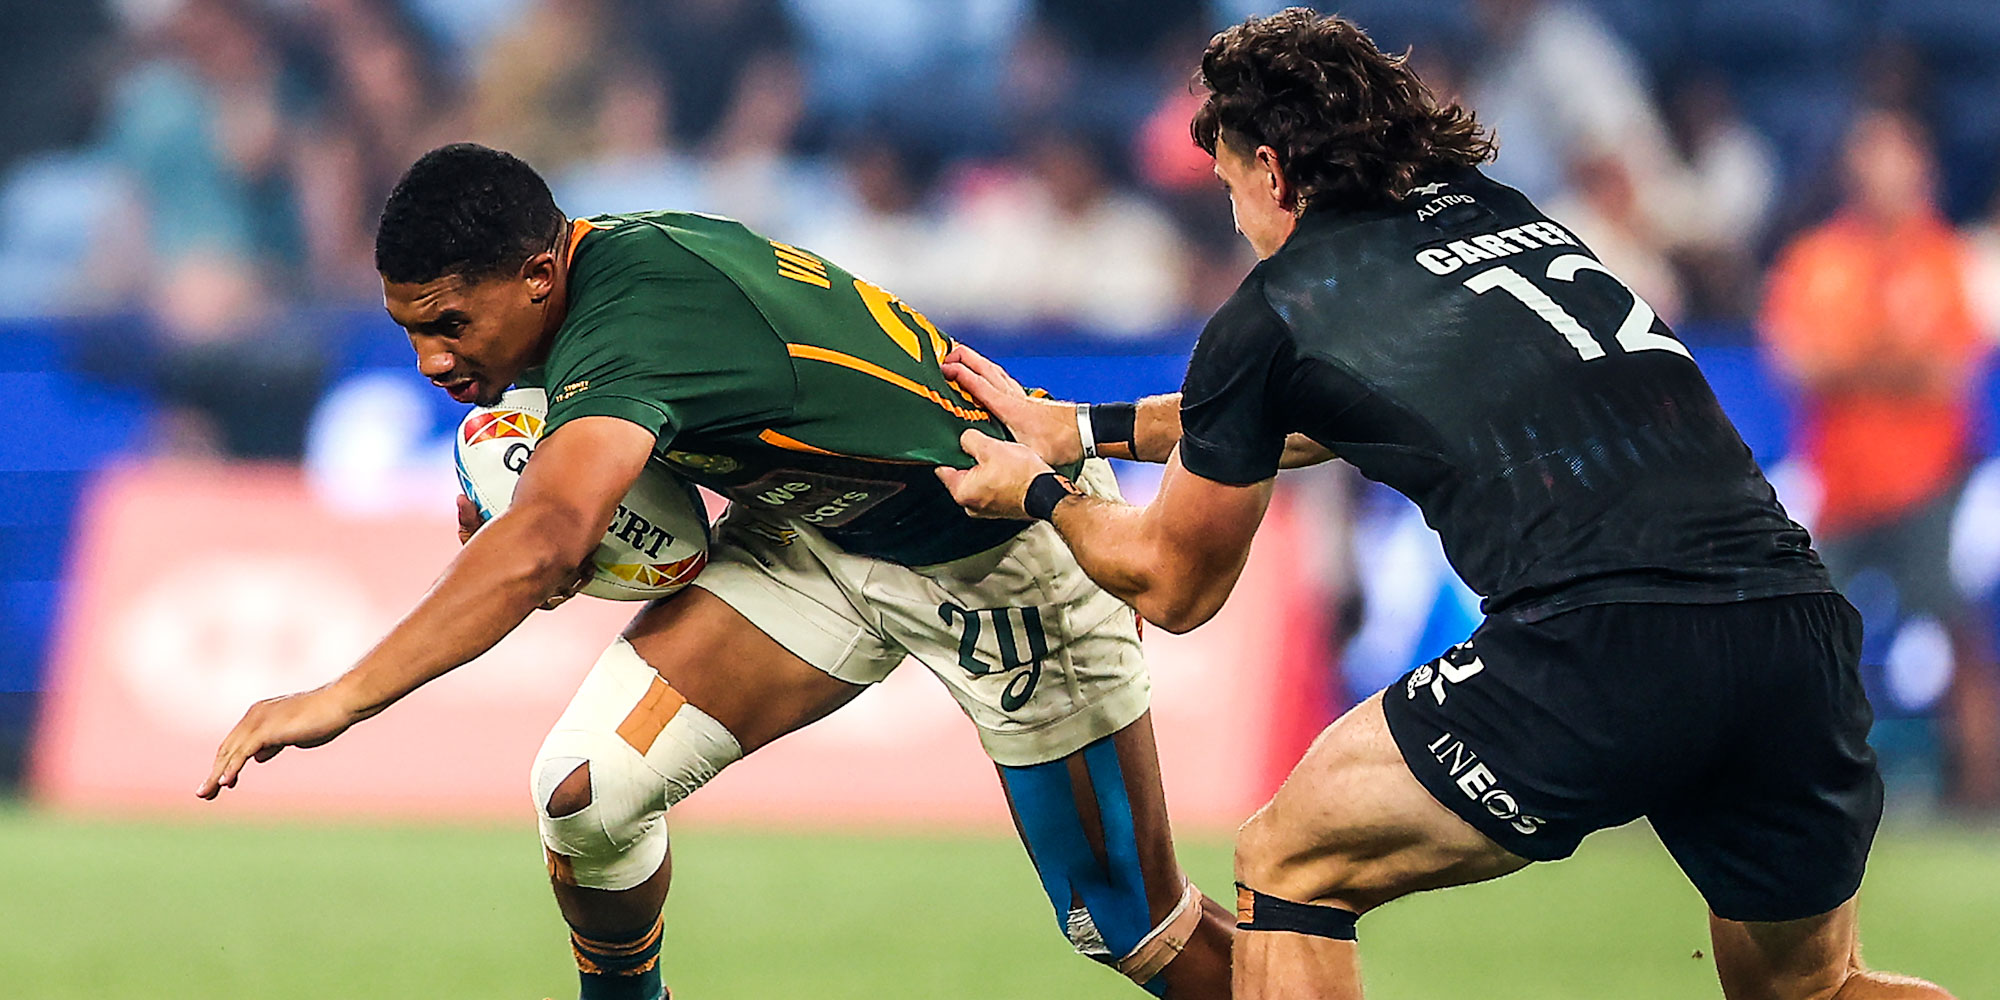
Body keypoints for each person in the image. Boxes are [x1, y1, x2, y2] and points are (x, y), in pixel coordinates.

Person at [936, 10, 1955, 1000]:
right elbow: (1342, 413)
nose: (1237, 218)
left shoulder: (1278, 309)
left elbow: (1174, 584)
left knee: (1291, 860)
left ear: (1273, 171)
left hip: (1602, 643)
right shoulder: (1496, 212)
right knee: (1813, 987)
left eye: (1230, 183)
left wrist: (1037, 492)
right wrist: (1082, 429)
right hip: (1791, 629)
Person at [196, 142, 1234, 1000]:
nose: (429, 360)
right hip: (812, 539)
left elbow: (548, 536)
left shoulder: (637, 325)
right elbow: (563, 482)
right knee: (587, 794)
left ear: (537, 278)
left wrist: (339, 696)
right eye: (411, 330)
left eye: (449, 324)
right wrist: (522, 490)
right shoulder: (593, 281)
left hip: (995, 553)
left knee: (1133, 930)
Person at [1762, 107, 1999, 808]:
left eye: (1896, 158)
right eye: (1870, 158)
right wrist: (1892, 357)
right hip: (1841, 486)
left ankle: (1982, 794)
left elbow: (1949, 373)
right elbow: (1800, 364)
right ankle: (1778, 785)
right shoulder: (1820, 257)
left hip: (1927, 485)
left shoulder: (1944, 255)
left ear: (1921, 169)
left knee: (1957, 637)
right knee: (1799, 634)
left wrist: (1856, 359)